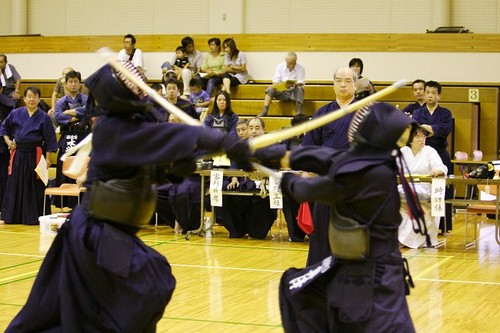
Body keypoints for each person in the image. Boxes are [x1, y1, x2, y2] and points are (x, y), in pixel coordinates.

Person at [5, 61, 251, 332]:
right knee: (140, 287)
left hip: (110, 234)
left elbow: (152, 161)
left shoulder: (131, 126)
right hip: (95, 234)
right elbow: (166, 136)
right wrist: (216, 141)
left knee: (122, 296)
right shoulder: (113, 128)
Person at [252, 102, 423, 332]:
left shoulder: (371, 173)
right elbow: (323, 156)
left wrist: (282, 177)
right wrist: (265, 153)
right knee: (296, 290)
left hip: (373, 278)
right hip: (358, 271)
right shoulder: (375, 164)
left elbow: (305, 190)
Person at [300, 67, 358, 265]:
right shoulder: (322, 113)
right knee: (322, 229)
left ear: (355, 85)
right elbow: (309, 144)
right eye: (339, 80)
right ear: (333, 84)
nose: (343, 84)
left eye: (348, 80)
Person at [0, 86, 57, 225]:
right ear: (24, 98)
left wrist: (48, 158)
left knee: (35, 185)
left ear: (39, 99)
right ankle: (11, 216)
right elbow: (3, 128)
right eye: (29, 96)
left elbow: (50, 139)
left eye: (35, 96)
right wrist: (8, 141)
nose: (32, 99)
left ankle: (33, 216)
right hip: (18, 153)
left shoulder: (44, 117)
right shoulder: (15, 113)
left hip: (35, 155)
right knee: (15, 183)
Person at [221, 117, 278, 239]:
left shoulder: (271, 145)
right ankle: (237, 230)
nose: (253, 131)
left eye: (257, 128)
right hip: (245, 181)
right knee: (227, 192)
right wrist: (234, 178)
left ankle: (257, 230)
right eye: (251, 128)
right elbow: (234, 165)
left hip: (265, 183)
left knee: (260, 197)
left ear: (264, 129)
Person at [412, 80, 454, 234]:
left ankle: (443, 226)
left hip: (440, 154)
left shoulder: (445, 113)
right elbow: (415, 130)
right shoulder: (418, 113)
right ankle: (425, 226)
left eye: (433, 93)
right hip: (422, 154)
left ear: (439, 96)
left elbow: (444, 130)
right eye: (427, 92)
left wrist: (427, 128)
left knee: (441, 190)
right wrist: (430, 129)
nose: (429, 96)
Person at [398, 126, 447, 248]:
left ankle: (409, 240)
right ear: (410, 139)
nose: (421, 139)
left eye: (423, 136)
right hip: (406, 186)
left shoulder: (429, 151)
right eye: (417, 137)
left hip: (424, 187)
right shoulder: (404, 151)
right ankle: (401, 237)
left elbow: (441, 166)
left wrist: (438, 171)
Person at [53, 70, 91, 210]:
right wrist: (77, 116)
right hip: (67, 137)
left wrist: (69, 113)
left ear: (80, 84)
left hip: (82, 137)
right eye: (70, 82)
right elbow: (57, 117)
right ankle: (66, 202)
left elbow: (89, 111)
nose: (73, 84)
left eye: (76, 81)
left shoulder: (86, 99)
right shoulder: (61, 101)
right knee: (65, 167)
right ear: (66, 84)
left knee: (82, 166)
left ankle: (82, 202)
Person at [259, 52, 306, 116]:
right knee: (270, 88)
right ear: (286, 61)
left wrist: (292, 84)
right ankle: (265, 110)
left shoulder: (301, 68)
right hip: (282, 91)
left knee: (300, 88)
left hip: (294, 92)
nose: (291, 65)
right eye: (289, 63)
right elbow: (275, 82)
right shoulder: (280, 67)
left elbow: (301, 82)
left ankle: (299, 112)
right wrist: (283, 85)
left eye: (293, 63)